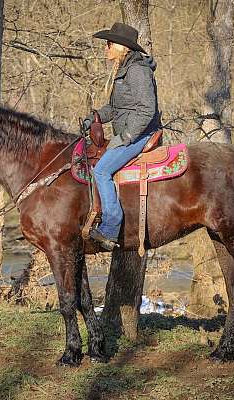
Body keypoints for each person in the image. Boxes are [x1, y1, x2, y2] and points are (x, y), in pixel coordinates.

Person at [83, 22, 161, 251]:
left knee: (101, 170)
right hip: (131, 131)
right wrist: (96, 116)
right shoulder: (125, 68)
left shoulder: (137, 70)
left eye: (109, 43)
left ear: (122, 47)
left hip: (140, 134)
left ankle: (110, 228)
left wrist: (125, 136)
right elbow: (116, 108)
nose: (106, 47)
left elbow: (147, 109)